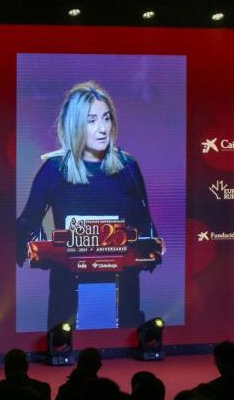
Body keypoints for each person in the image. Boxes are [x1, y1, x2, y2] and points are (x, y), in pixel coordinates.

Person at [16, 81, 162, 329]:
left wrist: (148, 249)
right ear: (75, 125)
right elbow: (28, 222)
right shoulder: (55, 169)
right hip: (68, 291)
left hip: (122, 289)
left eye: (106, 118)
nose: (102, 128)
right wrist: (42, 250)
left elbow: (144, 223)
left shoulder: (128, 167)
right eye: (92, 121)